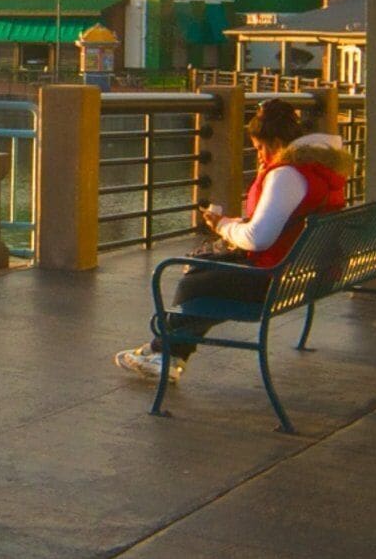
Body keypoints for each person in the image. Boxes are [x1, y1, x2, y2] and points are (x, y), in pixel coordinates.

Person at [118, 97, 351, 383]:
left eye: (260, 148)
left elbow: (259, 239)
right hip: (305, 273)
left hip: (274, 278)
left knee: (195, 281)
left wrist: (224, 226)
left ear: (277, 142)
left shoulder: (287, 175)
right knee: (204, 269)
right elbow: (288, 223)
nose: (261, 157)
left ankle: (165, 354)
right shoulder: (321, 171)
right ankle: (166, 353)